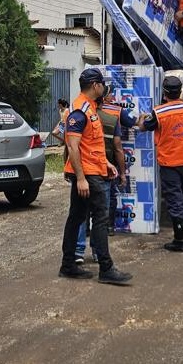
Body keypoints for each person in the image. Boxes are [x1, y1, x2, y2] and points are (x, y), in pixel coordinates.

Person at [58, 68, 132, 285]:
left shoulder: (89, 107)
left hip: (93, 169)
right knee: (99, 218)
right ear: (95, 86)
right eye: (101, 84)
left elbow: (92, 145)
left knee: (77, 217)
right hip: (88, 175)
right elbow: (72, 147)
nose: (103, 87)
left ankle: (68, 264)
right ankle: (106, 268)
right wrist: (81, 178)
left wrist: (106, 162)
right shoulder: (80, 111)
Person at [137, 76, 183, 252]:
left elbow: (144, 127)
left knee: (175, 199)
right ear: (180, 91)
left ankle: (180, 240)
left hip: (171, 162)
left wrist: (142, 118)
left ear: (164, 93)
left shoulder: (160, 112)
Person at [74, 86, 127, 263]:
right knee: (100, 215)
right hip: (101, 173)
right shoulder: (111, 120)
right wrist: (122, 172)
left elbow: (67, 141)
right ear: (104, 99)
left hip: (85, 170)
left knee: (81, 214)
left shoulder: (78, 114)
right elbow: (118, 148)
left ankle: (78, 252)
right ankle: (98, 252)